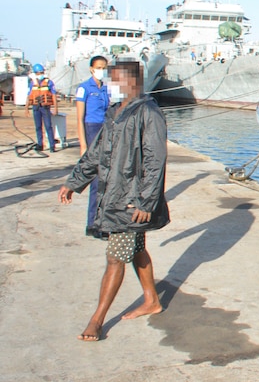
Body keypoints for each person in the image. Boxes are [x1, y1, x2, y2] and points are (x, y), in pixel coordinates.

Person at [57, 59, 169, 342]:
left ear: (131, 82)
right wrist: (74, 181)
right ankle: (152, 299)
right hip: (116, 196)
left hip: (132, 202)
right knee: (136, 248)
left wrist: (146, 202)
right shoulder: (114, 112)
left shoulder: (148, 112)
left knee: (115, 257)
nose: (109, 85)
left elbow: (155, 161)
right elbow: (96, 154)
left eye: (114, 80)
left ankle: (97, 320)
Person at [75, 55, 111, 236]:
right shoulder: (84, 88)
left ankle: (101, 221)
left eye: (104, 67)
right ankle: (93, 224)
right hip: (92, 130)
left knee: (107, 179)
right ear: (91, 69)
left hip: (106, 130)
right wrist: (83, 145)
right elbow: (79, 118)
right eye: (99, 67)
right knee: (97, 179)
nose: (102, 70)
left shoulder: (107, 88)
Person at [25, 63, 59, 152]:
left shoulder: (49, 82)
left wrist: (55, 108)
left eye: (41, 73)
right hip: (36, 107)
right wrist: (26, 109)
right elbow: (29, 96)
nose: (40, 75)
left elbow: (54, 95)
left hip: (45, 107)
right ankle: (40, 144)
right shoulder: (32, 83)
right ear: (35, 73)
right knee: (38, 127)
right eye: (38, 73)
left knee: (48, 126)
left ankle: (52, 145)